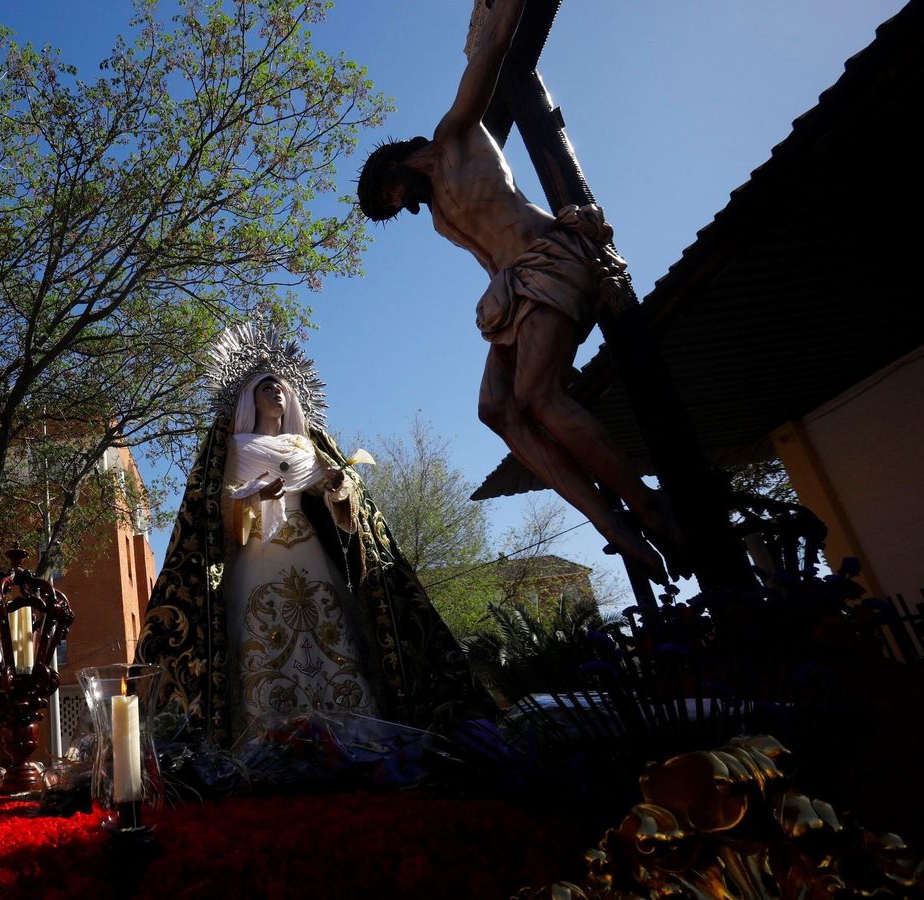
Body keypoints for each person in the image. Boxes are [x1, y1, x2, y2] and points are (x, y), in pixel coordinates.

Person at [356, 0, 682, 583]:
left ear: (393, 167)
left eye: (390, 196)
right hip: (512, 292)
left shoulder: (457, 135)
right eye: (391, 206)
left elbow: (492, 49)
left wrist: (503, 10)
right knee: (495, 409)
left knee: (537, 396)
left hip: (550, 260)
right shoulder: (438, 216)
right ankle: (609, 521)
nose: (400, 206)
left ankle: (648, 504)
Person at [138, 324, 486, 746]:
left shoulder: (306, 446)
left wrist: (340, 486)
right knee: (264, 628)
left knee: (326, 623)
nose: (276, 393)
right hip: (260, 548)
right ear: (250, 398)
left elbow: (337, 504)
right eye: (266, 388)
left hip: (305, 542)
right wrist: (254, 497)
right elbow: (217, 508)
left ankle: (349, 729)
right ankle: (268, 733)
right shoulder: (236, 447)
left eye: (280, 388)